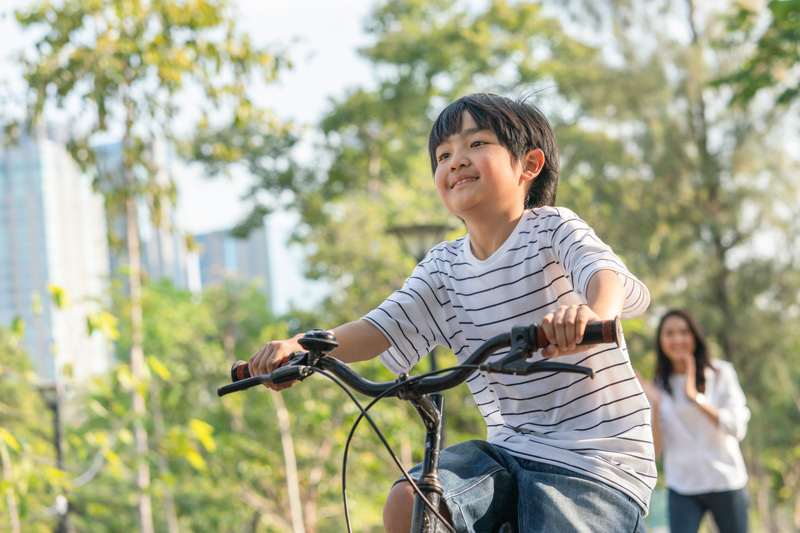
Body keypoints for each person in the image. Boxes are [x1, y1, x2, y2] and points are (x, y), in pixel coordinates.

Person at [249, 93, 655, 532]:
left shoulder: (552, 228)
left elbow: (603, 276)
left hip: (595, 457)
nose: (456, 160)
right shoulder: (443, 266)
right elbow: (377, 328)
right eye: (443, 155)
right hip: (507, 450)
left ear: (529, 165)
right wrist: (301, 347)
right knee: (412, 500)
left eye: (477, 144)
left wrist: (591, 314)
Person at [638, 309, 750, 533]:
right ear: (661, 341)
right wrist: (656, 405)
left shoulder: (721, 373)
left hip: (726, 481)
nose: (677, 339)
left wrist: (695, 398)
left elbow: (738, 428)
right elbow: (655, 451)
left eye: (684, 332)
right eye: (669, 333)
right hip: (683, 487)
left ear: (695, 336)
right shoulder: (657, 387)